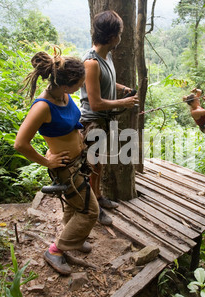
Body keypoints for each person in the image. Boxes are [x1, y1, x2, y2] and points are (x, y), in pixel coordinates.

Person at [14, 48, 99, 275]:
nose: (80, 88)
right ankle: (56, 250)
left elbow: (69, 122)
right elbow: (20, 143)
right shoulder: (43, 106)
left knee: (75, 204)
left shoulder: (63, 96)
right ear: (65, 85)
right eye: (79, 84)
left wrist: (79, 134)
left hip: (78, 162)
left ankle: (74, 238)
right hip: (65, 169)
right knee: (90, 211)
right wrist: (46, 162)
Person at [80, 10, 139, 225]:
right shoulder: (91, 62)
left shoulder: (107, 56)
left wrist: (122, 89)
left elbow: (104, 82)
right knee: (92, 165)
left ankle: (98, 196)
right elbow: (95, 102)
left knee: (99, 163)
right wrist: (124, 103)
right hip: (93, 120)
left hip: (104, 120)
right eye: (120, 33)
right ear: (113, 36)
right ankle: (93, 208)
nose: (120, 38)